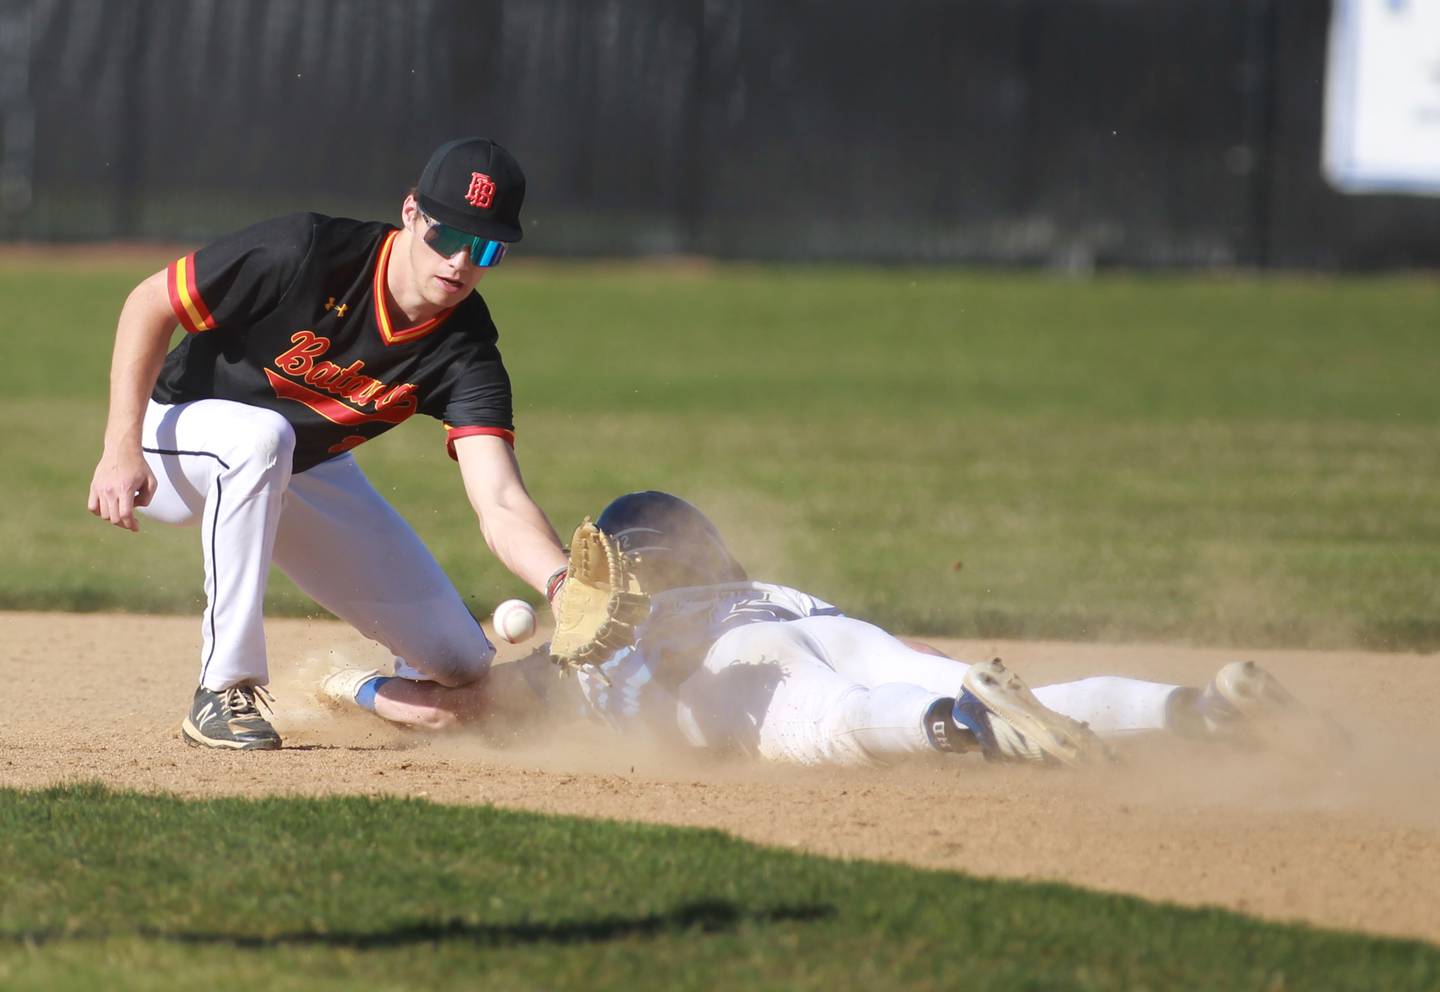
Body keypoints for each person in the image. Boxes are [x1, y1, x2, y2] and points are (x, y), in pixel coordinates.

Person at [87, 137, 571, 751]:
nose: (459, 262)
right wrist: (119, 445)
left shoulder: (465, 350)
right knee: (263, 436)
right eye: (448, 236)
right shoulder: (307, 251)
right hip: (171, 436)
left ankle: (352, 688)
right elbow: (148, 303)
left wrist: (564, 585)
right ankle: (223, 688)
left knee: (460, 664)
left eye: (486, 247)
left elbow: (500, 499)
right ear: (411, 212)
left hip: (298, 467)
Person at [317, 492, 1308, 767]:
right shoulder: (763, 586)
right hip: (821, 619)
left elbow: (452, 716)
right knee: (950, 682)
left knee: (838, 723)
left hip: (720, 670)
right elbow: (907, 652)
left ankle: (963, 724)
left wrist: (354, 688)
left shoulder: (588, 646)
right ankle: (1201, 707)